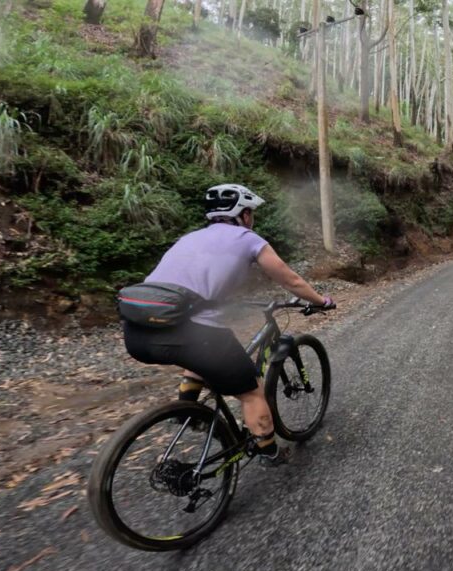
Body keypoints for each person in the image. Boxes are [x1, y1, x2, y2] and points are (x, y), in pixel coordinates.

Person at [122, 183, 333, 464]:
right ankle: (269, 450)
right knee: (251, 391)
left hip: (138, 331)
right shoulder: (248, 239)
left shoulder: (188, 239)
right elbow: (291, 280)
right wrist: (321, 301)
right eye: (251, 213)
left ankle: (189, 411)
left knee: (197, 351)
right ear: (243, 215)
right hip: (188, 332)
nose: (252, 218)